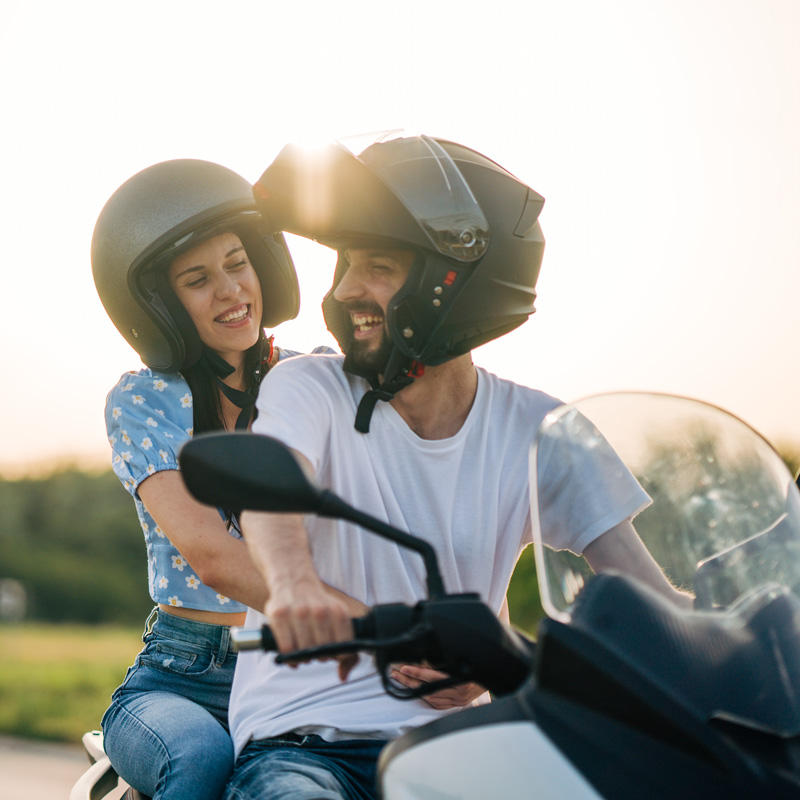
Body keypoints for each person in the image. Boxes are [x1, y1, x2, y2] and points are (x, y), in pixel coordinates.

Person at [223, 134, 688, 800]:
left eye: (377, 266)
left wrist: (735, 645)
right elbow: (271, 485)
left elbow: (649, 596)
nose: (348, 287)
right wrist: (294, 583)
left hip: (460, 753)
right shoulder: (310, 387)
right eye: (347, 263)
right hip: (309, 750)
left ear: (455, 286)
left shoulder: (541, 431)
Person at [90, 158, 364, 800]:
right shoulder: (144, 399)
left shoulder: (317, 379)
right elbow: (213, 557)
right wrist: (367, 623)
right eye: (197, 278)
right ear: (160, 302)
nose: (229, 291)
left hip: (298, 667)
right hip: (182, 673)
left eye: (238, 263)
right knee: (199, 755)